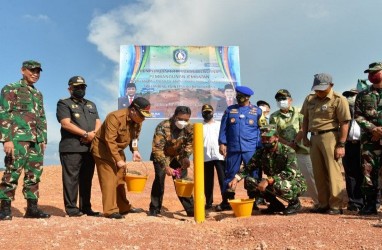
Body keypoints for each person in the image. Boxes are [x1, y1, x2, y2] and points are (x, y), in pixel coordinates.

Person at [0, 60, 50, 220]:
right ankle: (5, 208)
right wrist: (6, 139)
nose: (35, 74)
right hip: (17, 139)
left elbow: (41, 117)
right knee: (12, 171)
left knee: (34, 174)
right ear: (23, 70)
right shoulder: (11, 88)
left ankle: (32, 209)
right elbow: (4, 113)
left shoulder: (38, 94)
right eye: (32, 70)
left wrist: (43, 139)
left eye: (38, 71)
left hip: (36, 140)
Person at [91, 97, 152, 219]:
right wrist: (118, 160)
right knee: (109, 179)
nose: (143, 119)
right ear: (133, 110)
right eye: (141, 115)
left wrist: (135, 151)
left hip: (117, 150)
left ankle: (123, 207)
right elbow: (109, 140)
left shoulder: (138, 121)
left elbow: (134, 138)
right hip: (102, 149)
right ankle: (110, 211)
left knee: (120, 179)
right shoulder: (115, 117)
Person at [229, 125, 307, 215]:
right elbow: (248, 167)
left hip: (294, 183)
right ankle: (275, 205)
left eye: (268, 138)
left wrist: (268, 180)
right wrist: (236, 178)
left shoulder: (288, 151)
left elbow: (290, 172)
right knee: (250, 181)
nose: (265, 141)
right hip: (273, 181)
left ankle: (295, 204)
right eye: (263, 138)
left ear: (276, 138)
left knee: (278, 184)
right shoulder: (261, 152)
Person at [301, 73, 350, 215]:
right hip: (314, 137)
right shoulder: (310, 99)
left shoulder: (339, 99)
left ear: (331, 85)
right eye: (317, 89)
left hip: (331, 136)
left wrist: (341, 144)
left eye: (322, 89)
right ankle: (323, 203)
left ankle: (336, 205)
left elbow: (344, 123)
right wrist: (304, 136)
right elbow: (305, 119)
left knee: (333, 172)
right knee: (318, 172)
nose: (319, 92)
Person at [56, 76, 102, 217]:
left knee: (86, 178)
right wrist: (85, 134)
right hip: (71, 147)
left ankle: (86, 207)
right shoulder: (64, 103)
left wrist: (94, 134)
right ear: (70, 88)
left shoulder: (91, 104)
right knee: (71, 179)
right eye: (77, 87)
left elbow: (98, 121)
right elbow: (65, 123)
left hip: (89, 148)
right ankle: (71, 208)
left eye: (83, 87)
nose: (80, 89)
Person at [216, 85, 265, 211]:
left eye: (241, 97)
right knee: (230, 174)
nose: (238, 98)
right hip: (233, 148)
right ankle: (227, 200)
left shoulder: (257, 111)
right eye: (237, 96)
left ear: (248, 97)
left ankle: (252, 201)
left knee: (252, 175)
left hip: (251, 148)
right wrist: (222, 143)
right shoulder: (230, 110)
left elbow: (263, 130)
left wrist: (261, 147)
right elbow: (224, 129)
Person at [269, 89, 318, 207]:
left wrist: (295, 142)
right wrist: (287, 144)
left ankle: (319, 201)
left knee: (309, 176)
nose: (282, 101)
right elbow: (274, 134)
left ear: (290, 100)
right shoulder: (274, 116)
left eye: (284, 99)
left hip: (301, 150)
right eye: (279, 99)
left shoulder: (299, 112)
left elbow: (303, 129)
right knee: (287, 178)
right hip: (283, 152)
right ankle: (294, 202)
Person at [149, 106, 194, 217]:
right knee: (159, 179)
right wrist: (165, 166)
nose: (183, 122)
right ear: (174, 116)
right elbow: (157, 148)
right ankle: (155, 208)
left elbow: (190, 144)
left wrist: (186, 157)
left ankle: (191, 209)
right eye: (181, 119)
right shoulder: (163, 126)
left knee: (182, 182)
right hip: (162, 156)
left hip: (178, 157)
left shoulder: (190, 128)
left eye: (186, 120)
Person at [354, 62, 382, 215]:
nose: (371, 76)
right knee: (368, 172)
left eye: (375, 72)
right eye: (370, 73)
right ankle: (370, 205)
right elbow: (357, 116)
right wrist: (373, 129)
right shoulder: (363, 95)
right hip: (369, 140)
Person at [342, 88, 364, 212]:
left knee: (366, 173)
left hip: (364, 145)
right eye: (348, 96)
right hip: (349, 145)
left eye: (353, 95)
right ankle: (354, 202)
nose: (350, 98)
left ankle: (371, 202)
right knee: (350, 174)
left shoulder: (366, 112)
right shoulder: (344, 113)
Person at [201, 104, 225, 209]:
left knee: (223, 179)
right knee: (207, 181)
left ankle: (226, 200)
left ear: (212, 112)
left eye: (209, 112)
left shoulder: (220, 125)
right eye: (205, 112)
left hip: (220, 156)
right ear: (202, 113)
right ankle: (208, 202)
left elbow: (225, 139)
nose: (207, 114)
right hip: (205, 157)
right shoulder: (198, 126)